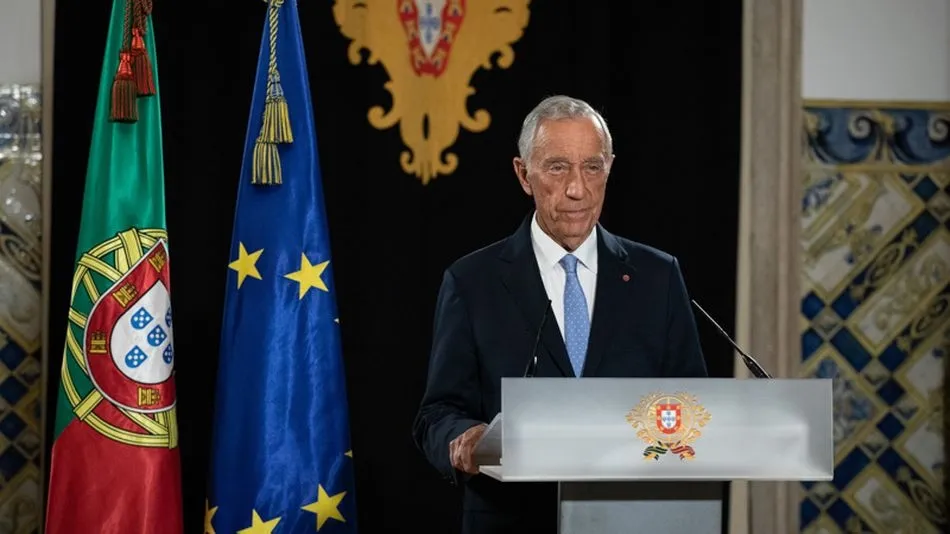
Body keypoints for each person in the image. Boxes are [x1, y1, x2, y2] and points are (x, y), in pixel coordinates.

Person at [411, 95, 708, 533]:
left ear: (609, 168)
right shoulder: (473, 282)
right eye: (556, 167)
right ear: (523, 175)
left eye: (592, 167)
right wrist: (464, 440)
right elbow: (436, 415)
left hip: (633, 519)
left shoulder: (657, 276)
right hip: (512, 519)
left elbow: (692, 406)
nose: (577, 189)